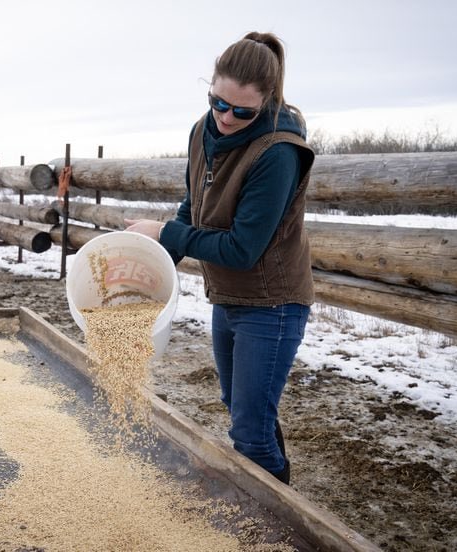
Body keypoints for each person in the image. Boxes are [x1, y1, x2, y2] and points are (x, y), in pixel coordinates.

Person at [126, 32, 315, 485]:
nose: (227, 118)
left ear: (266, 102)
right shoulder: (202, 132)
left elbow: (241, 249)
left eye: (243, 112)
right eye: (218, 103)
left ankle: (275, 524)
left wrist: (166, 232)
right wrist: (154, 263)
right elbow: (194, 210)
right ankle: (278, 500)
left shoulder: (278, 152)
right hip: (228, 296)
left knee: (249, 433)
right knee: (243, 409)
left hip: (272, 302)